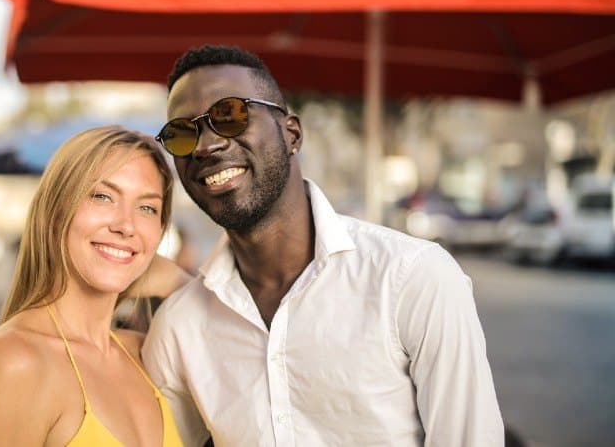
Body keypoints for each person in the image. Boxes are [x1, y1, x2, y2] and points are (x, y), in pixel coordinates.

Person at [143, 45, 505, 446]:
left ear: (291, 133)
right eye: (181, 132)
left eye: (229, 115)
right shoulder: (178, 328)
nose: (204, 145)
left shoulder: (414, 280)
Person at [0, 126, 185, 447]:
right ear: (55, 210)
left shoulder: (147, 354)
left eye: (147, 208)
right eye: (103, 196)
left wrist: (180, 284)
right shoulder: (15, 362)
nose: (126, 226)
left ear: (160, 230)